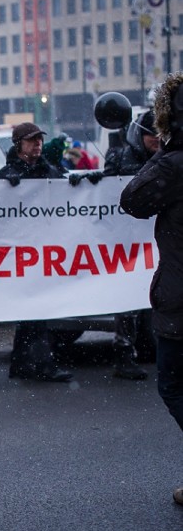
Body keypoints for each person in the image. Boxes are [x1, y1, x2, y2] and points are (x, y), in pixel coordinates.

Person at [119, 72, 183, 505]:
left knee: (173, 385)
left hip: (181, 299)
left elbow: (133, 199)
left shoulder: (175, 163)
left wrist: (168, 150)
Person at [0, 123, 72, 383]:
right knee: (34, 310)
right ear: (18, 145)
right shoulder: (6, 173)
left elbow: (68, 191)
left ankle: (22, 363)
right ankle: (43, 364)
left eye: (39, 140)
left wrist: (86, 184)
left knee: (34, 310)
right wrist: (7, 186)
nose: (37, 144)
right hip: (19, 250)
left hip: (43, 248)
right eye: (31, 140)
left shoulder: (49, 170)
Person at [101, 109, 160, 381]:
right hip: (125, 240)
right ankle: (124, 355)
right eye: (152, 134)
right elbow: (104, 191)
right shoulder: (121, 156)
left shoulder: (164, 158)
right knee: (127, 300)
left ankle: (149, 348)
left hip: (155, 240)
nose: (157, 139)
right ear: (141, 134)